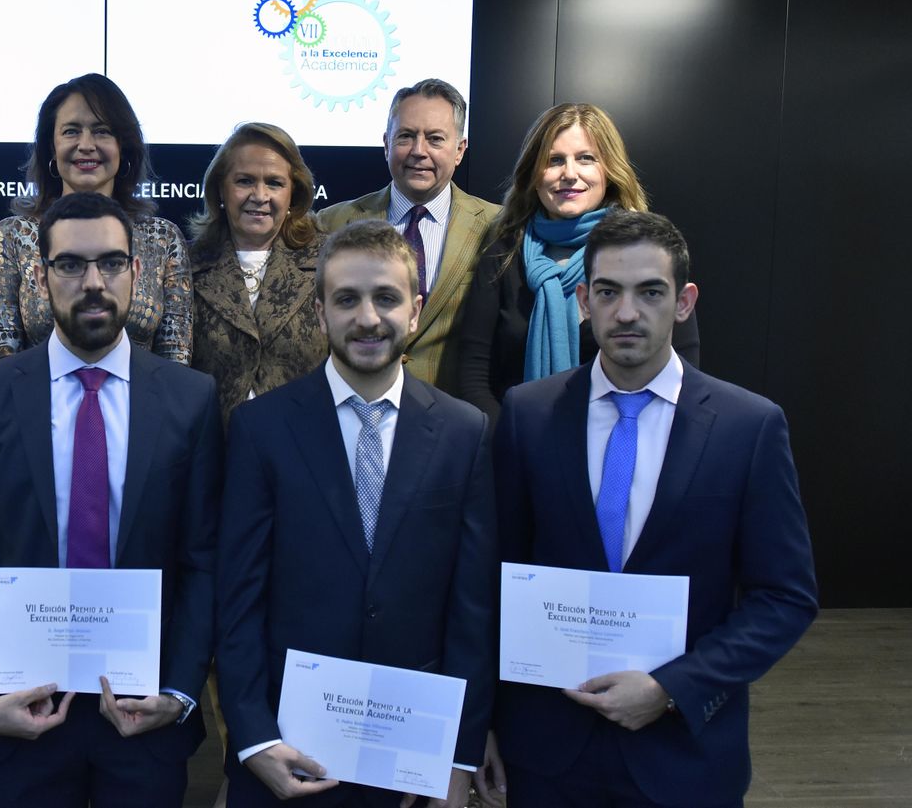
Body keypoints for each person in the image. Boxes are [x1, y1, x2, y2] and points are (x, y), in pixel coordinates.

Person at [485, 210, 817, 807]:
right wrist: (479, 722)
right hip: (547, 754)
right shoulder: (528, 416)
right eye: (609, 292)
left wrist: (672, 688)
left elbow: (785, 597)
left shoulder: (749, 427)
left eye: (650, 292)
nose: (628, 313)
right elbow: (494, 579)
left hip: (683, 755)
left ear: (684, 302)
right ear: (584, 300)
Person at [0, 192, 222, 807]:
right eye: (70, 264)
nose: (93, 282)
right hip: (22, 711)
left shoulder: (190, 399)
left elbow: (204, 560)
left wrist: (180, 689)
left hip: (146, 715)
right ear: (40, 278)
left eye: (112, 263)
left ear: (137, 274)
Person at [217, 221, 497, 808]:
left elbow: (473, 610)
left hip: (415, 755)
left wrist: (460, 756)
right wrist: (252, 738)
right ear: (320, 313)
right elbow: (237, 600)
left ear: (416, 311)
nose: (368, 318)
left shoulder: (463, 432)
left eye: (386, 298)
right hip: (287, 752)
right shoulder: (260, 430)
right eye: (347, 299)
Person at [456, 103, 699, 424]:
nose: (569, 174)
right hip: (516, 444)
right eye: (554, 160)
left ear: (609, 169)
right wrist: (512, 443)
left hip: (623, 437)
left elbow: (683, 364)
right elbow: (472, 370)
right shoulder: (503, 248)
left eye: (586, 158)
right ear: (533, 172)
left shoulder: (646, 248)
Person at [0, 73, 193, 365]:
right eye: (71, 131)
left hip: (144, 406)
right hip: (36, 406)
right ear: (51, 148)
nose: (86, 144)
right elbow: (0, 361)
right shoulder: (12, 235)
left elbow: (175, 364)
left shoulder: (164, 239)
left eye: (102, 131)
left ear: (123, 146)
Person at [318, 79, 498, 394]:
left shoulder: (496, 227)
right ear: (387, 144)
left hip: (453, 420)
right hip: (354, 409)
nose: (418, 151)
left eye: (435, 139)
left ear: (460, 150)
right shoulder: (331, 223)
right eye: (406, 136)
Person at [189, 122, 327, 425]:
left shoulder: (328, 261)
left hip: (302, 450)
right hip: (212, 454)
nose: (260, 195)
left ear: (294, 193)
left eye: (275, 183)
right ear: (221, 189)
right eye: (245, 181)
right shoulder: (186, 264)